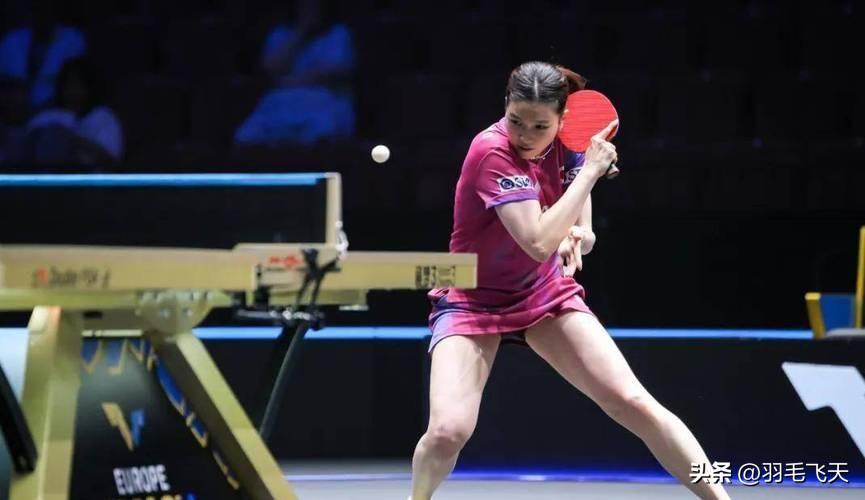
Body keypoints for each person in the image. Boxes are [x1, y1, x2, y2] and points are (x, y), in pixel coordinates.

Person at [409, 61, 730, 500]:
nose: (525, 135)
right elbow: (538, 242)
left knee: (633, 402)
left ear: (562, 119)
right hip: (473, 299)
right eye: (516, 120)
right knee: (448, 431)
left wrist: (578, 234)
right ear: (505, 105)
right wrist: (591, 173)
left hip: (542, 294)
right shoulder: (491, 152)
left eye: (540, 126)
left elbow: (582, 231)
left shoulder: (572, 144)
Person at [234, 0, 355, 146]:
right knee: (246, 137)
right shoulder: (280, 33)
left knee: (321, 134)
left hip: (323, 101)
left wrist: (291, 81)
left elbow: (331, 72)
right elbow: (272, 69)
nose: (310, 9)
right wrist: (300, 33)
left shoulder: (338, 33)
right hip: (280, 102)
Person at [23, 56, 123, 166]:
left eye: (78, 85)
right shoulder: (47, 116)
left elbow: (109, 160)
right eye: (68, 85)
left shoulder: (103, 117)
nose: (73, 91)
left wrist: (71, 140)